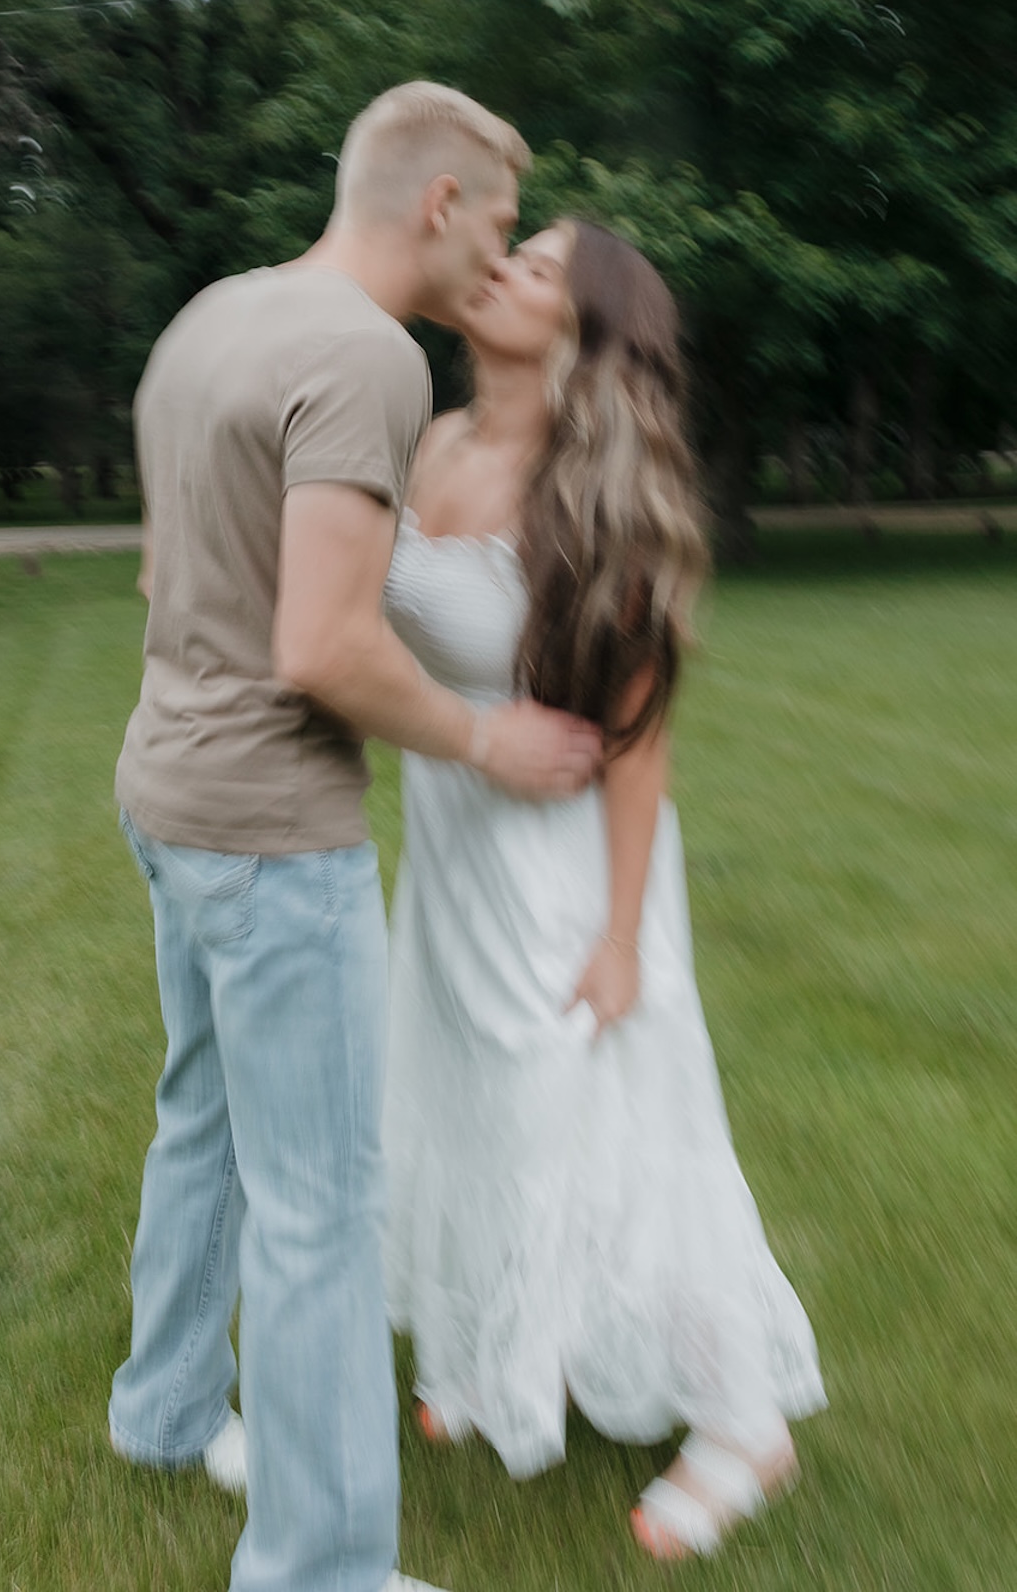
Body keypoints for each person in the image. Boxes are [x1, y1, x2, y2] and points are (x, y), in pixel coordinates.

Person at [108, 85, 603, 1592]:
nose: (499, 261)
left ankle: (170, 1409)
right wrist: (483, 736)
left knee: (202, 1122)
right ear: (440, 202)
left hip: (164, 795)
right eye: (503, 225)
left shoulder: (217, 316)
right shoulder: (366, 358)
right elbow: (323, 642)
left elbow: (164, 571)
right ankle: (321, 1566)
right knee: (320, 1208)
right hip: (271, 835)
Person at [382, 217, 827, 1560]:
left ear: (579, 333)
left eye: (539, 266)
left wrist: (625, 937)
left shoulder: (601, 498)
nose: (506, 263)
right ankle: (488, 1353)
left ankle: (744, 1423)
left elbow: (640, 750)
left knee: (616, 1140)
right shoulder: (435, 441)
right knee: (469, 1102)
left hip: (566, 876)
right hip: (451, 846)